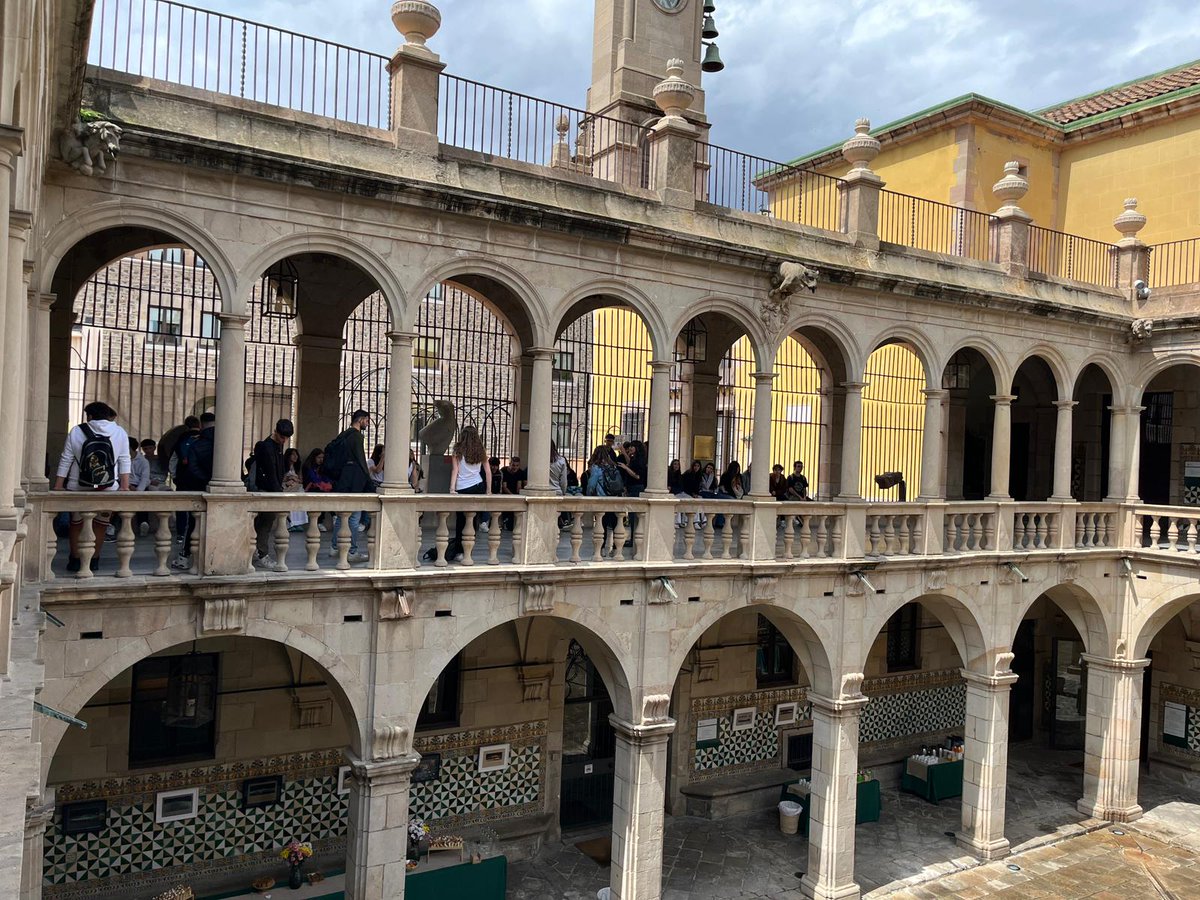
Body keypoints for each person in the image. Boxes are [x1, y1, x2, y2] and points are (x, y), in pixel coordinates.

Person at [54, 401, 132, 573]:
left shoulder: (77, 431)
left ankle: (75, 560)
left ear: (89, 416)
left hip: (78, 486)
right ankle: (94, 560)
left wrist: (59, 485)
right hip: (108, 487)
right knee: (100, 524)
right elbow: (125, 459)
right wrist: (124, 486)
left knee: (76, 524)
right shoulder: (119, 432)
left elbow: (66, 458)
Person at [425, 425, 491, 563]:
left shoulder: (457, 450)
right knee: (473, 520)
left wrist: (451, 489)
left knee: (461, 521)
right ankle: (468, 551)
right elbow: (488, 472)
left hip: (462, 487)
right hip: (478, 486)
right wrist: (488, 490)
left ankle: (461, 551)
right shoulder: (481, 451)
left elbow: (455, 470)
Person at [325, 409, 373, 562]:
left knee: (342, 516)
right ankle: (351, 550)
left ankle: (334, 547)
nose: (367, 423)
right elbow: (361, 459)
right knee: (354, 516)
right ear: (360, 420)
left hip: (343, 478)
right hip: (354, 479)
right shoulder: (356, 436)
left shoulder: (344, 434)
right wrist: (369, 481)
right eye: (366, 420)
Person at [170, 412, 215, 569]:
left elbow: (191, 466)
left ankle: (184, 557)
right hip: (219, 489)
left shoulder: (194, 443)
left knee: (192, 524)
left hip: (196, 486)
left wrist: (204, 480)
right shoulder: (225, 442)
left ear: (202, 425)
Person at [252, 418, 293, 568]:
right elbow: (270, 472)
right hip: (266, 490)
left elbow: (278, 470)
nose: (284, 440)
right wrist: (278, 493)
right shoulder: (266, 446)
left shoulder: (277, 446)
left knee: (264, 523)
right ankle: (261, 553)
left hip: (273, 489)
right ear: (275, 432)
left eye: (287, 438)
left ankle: (257, 550)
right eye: (282, 437)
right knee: (264, 523)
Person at [586, 443, 625, 557]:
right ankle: (615, 549)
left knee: (601, 525)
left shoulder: (596, 467)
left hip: (602, 499)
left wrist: (588, 496)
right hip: (614, 499)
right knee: (614, 524)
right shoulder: (613, 466)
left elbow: (592, 484)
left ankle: (601, 550)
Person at [302, 448, 333, 532]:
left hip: (321, 489)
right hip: (311, 489)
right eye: (319, 457)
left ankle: (333, 515)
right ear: (314, 457)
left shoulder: (321, 468)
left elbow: (326, 478)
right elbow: (313, 480)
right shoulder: (308, 467)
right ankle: (320, 521)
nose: (321, 460)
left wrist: (328, 484)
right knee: (321, 496)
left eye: (322, 458)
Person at [283, 447, 308, 532]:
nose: (295, 456)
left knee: (300, 498)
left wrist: (294, 478)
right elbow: (281, 478)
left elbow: (301, 480)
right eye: (293, 454)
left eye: (296, 454)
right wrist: (288, 479)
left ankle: (298, 523)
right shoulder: (283, 466)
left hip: (297, 488)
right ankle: (290, 523)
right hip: (286, 488)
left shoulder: (297, 467)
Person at [500, 455, 527, 530]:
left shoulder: (520, 472)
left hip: (516, 495)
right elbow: (504, 487)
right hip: (506, 495)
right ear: (510, 463)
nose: (515, 467)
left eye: (517, 465)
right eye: (513, 465)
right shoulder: (504, 471)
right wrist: (512, 496)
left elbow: (522, 485)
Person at [550, 441, 570, 529]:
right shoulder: (561, 460)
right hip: (556, 491)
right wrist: (563, 492)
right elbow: (563, 481)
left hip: (543, 492)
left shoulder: (538, 460)